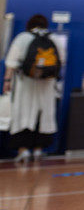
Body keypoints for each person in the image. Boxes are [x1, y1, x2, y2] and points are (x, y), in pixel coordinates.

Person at [3, 14, 64, 164]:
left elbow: (11, 61)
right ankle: (39, 149)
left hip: (25, 83)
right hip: (47, 85)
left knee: (22, 115)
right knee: (44, 116)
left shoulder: (23, 38)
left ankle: (23, 150)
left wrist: (7, 80)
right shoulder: (54, 39)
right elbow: (61, 61)